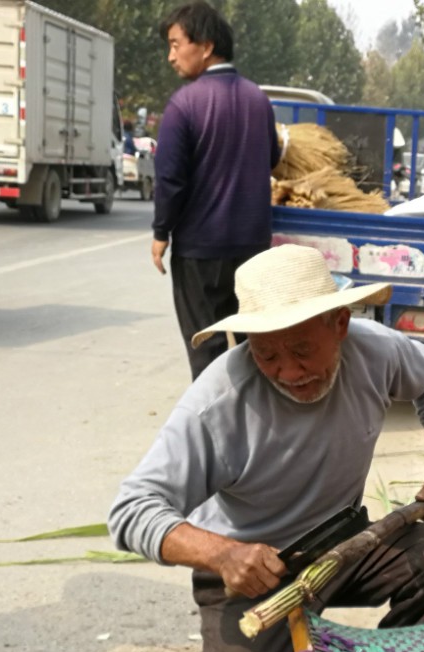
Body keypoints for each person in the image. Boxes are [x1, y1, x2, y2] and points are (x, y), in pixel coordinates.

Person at [109, 244, 424, 652]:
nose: (288, 371)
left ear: (340, 323)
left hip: (342, 549)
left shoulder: (375, 351)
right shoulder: (220, 402)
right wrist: (222, 555)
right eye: (267, 354)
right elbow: (131, 510)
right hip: (251, 576)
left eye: (302, 350)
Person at [151, 1, 282, 378]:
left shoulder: (184, 105)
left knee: (205, 352)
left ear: (205, 47)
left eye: (177, 44)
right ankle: (256, 425)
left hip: (199, 253)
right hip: (253, 250)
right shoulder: (258, 100)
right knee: (253, 348)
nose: (171, 56)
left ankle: (213, 429)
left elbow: (170, 181)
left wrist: (161, 233)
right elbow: (271, 158)